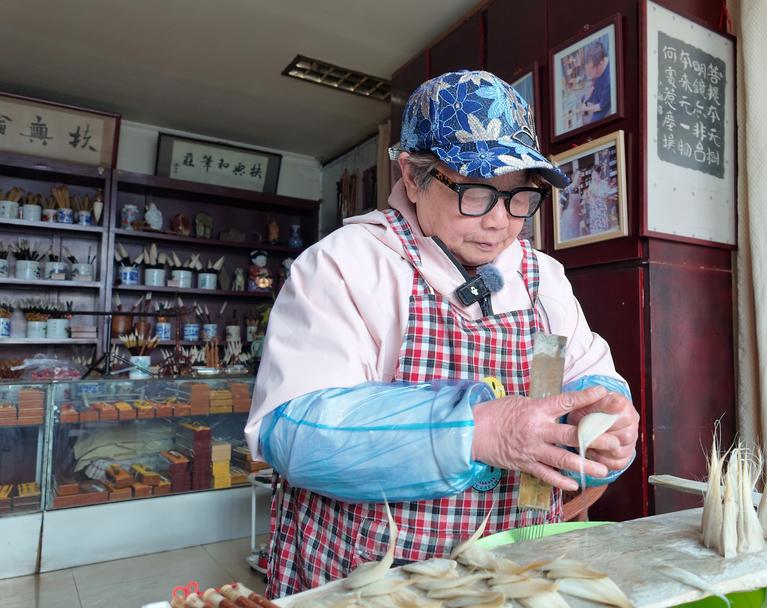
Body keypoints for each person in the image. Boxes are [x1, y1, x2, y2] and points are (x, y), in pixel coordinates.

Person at [246, 70, 639, 598]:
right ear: (413, 176)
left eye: (519, 196)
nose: (500, 222)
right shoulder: (348, 263)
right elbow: (294, 433)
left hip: (516, 570)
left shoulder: (541, 278)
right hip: (372, 576)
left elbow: (584, 373)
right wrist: (478, 432)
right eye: (476, 192)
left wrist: (605, 419)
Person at [578, 41, 611, 124]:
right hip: (599, 92)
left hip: (604, 103)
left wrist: (587, 109)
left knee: (592, 122)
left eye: (590, 73)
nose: (589, 76)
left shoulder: (609, 79)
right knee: (583, 98)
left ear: (600, 64)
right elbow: (594, 84)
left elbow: (601, 106)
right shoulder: (598, 65)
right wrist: (589, 93)